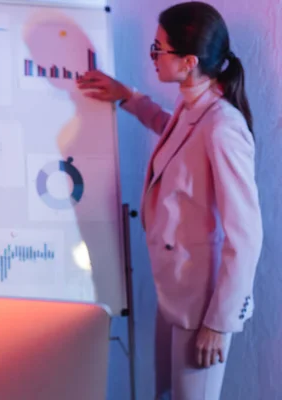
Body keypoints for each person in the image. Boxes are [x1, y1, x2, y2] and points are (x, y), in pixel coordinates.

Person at [77, 2, 262, 399]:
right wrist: (127, 96)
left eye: (159, 49)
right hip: (175, 288)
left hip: (202, 304)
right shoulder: (193, 104)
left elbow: (245, 236)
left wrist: (218, 323)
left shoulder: (223, 126)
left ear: (189, 61)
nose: (153, 56)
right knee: (166, 391)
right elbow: (172, 133)